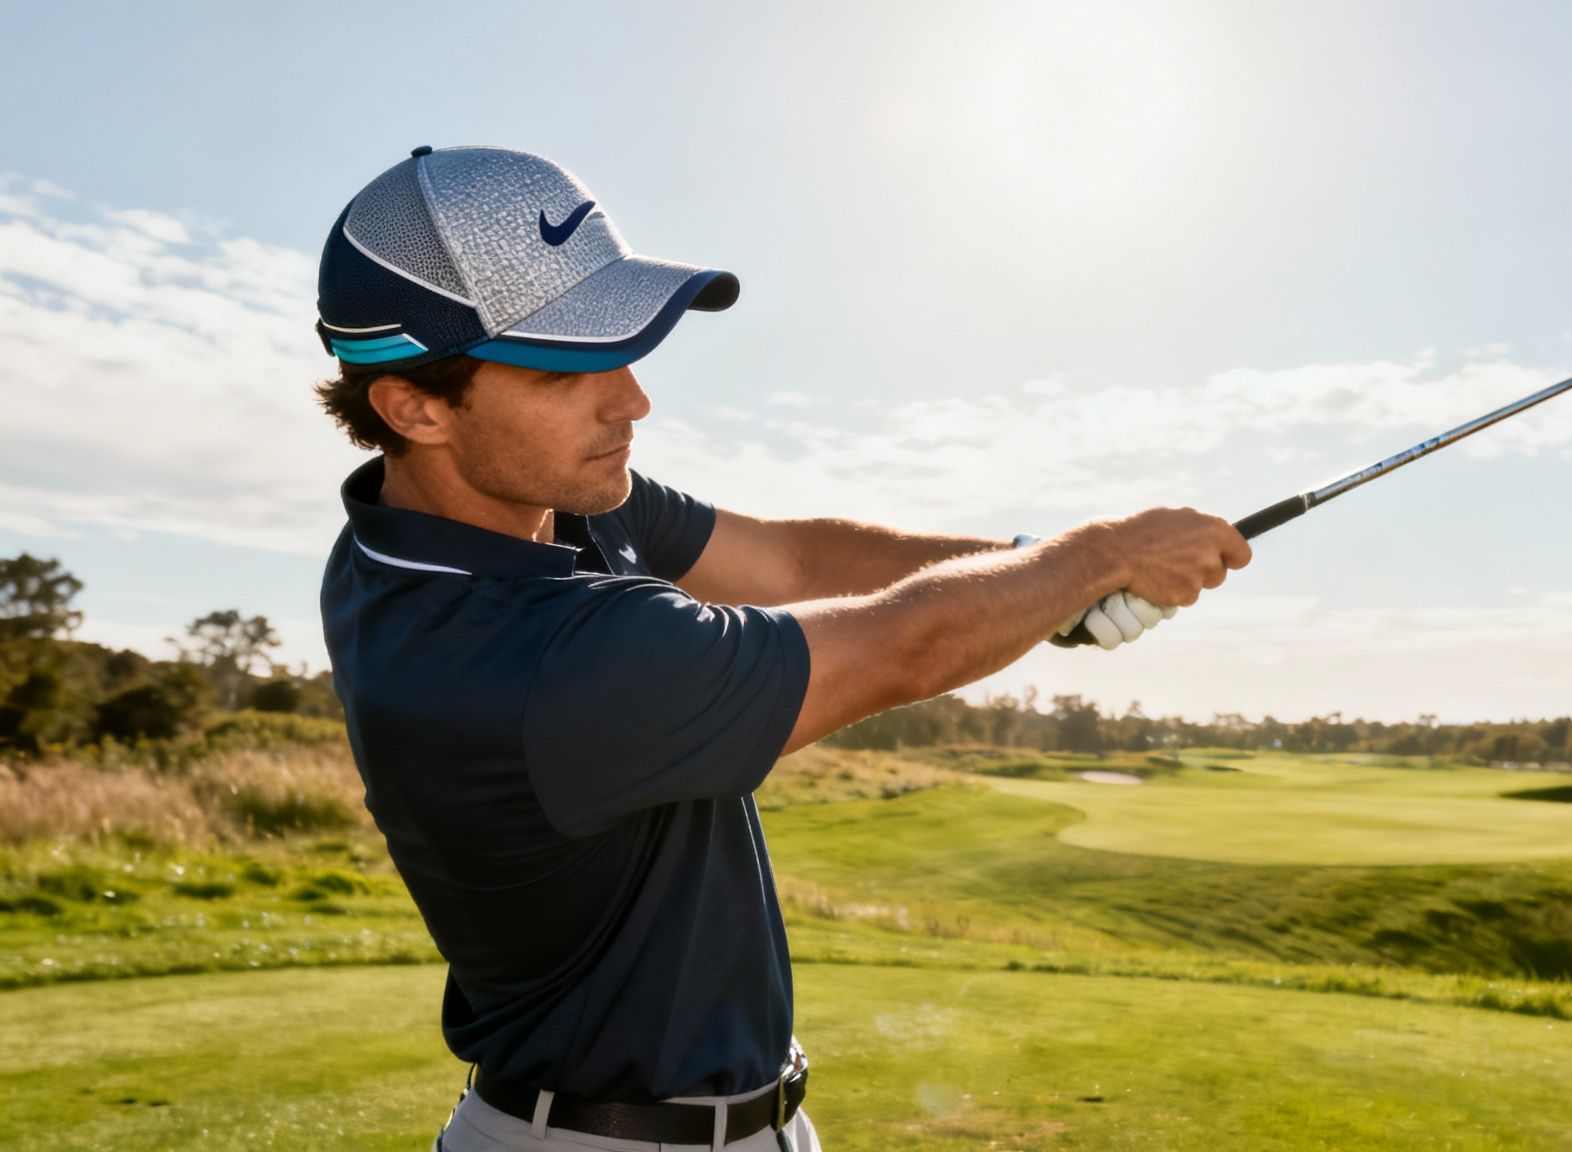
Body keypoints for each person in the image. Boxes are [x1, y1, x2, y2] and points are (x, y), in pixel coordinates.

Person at [313, 145, 1250, 1152]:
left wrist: (1039, 572)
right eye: (563, 366)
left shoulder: (502, 514)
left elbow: (796, 560)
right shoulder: (524, 658)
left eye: (618, 347)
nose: (631, 400)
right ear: (413, 406)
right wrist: (1095, 555)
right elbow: (905, 647)